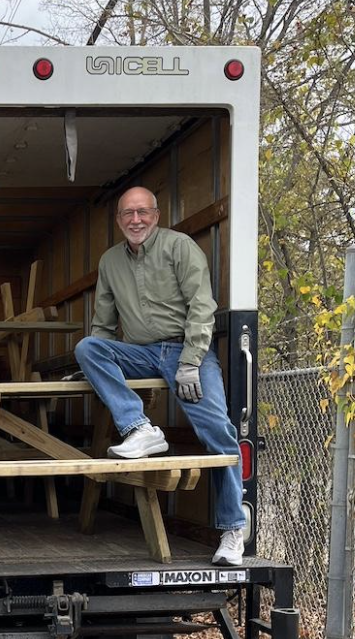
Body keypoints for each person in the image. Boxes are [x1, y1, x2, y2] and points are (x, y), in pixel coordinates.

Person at [74, 186, 246, 567]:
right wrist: (96, 370)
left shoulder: (180, 246)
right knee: (87, 347)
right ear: (119, 221)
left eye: (142, 212)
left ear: (156, 213)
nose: (136, 220)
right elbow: (102, 326)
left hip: (186, 350)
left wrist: (191, 359)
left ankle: (233, 528)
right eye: (127, 214)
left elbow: (203, 304)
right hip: (140, 352)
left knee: (219, 432)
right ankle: (141, 429)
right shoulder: (109, 262)